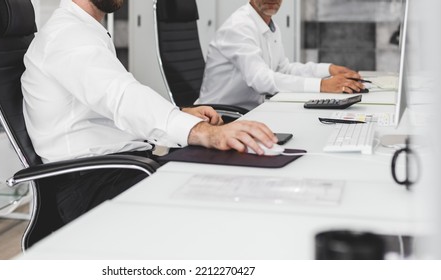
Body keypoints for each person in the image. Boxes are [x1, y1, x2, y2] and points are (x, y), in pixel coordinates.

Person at [21, 0, 278, 223]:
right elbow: (121, 96)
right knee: (220, 201)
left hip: (120, 166)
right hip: (91, 183)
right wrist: (202, 132)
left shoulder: (86, 30)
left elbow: (106, 106)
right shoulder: (68, 37)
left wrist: (179, 113)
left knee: (230, 178)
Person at [195, 0, 365, 111]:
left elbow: (284, 69)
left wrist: (328, 69)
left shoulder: (270, 26)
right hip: (220, 114)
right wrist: (322, 85)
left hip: (251, 112)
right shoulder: (239, 27)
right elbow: (261, 80)